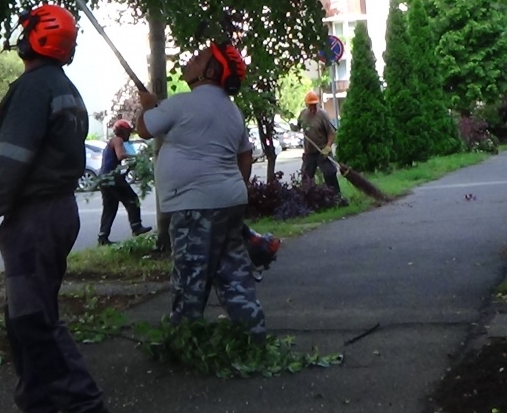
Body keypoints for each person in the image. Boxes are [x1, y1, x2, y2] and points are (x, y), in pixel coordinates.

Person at [0, 4, 107, 413]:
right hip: (56, 211)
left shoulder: (33, 89)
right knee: (24, 315)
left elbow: (13, 157)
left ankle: (83, 403)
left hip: (34, 216)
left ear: (33, 38)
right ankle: (36, 400)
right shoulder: (64, 87)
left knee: (32, 318)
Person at [135, 41, 267, 337]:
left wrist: (147, 106)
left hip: (194, 206)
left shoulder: (182, 103)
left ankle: (184, 339)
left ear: (210, 71)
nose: (191, 60)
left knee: (190, 277)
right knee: (232, 270)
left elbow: (144, 129)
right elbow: (245, 153)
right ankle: (253, 331)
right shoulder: (232, 111)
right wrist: (234, 185)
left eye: (199, 57)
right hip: (229, 202)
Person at [97, 119, 152, 245]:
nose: (129, 135)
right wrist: (137, 157)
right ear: (122, 131)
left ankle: (102, 237)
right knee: (132, 199)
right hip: (112, 178)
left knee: (110, 208)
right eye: (128, 132)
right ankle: (136, 227)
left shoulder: (111, 142)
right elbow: (120, 155)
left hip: (104, 178)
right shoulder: (118, 140)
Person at [298, 90, 339, 193]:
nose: (313, 108)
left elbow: (332, 133)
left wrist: (328, 147)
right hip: (309, 152)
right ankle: (307, 197)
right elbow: (298, 126)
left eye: (314, 105)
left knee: (329, 173)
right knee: (306, 176)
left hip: (322, 151)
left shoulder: (323, 115)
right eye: (310, 105)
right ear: (306, 104)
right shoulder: (303, 114)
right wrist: (295, 127)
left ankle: (335, 196)